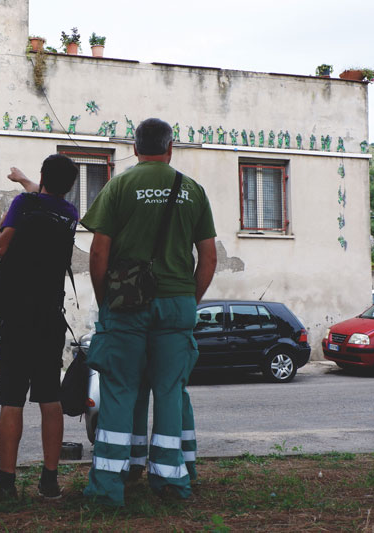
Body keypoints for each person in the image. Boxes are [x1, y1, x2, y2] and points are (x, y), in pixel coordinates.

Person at [80, 118, 217, 506]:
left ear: (135, 147)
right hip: (177, 304)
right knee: (171, 392)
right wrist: (189, 298)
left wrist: (105, 298)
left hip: (127, 304)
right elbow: (208, 257)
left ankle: (108, 488)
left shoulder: (120, 185)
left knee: (121, 389)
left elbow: (98, 251)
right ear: (170, 147)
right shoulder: (192, 190)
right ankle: (172, 482)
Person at [0, 155, 79, 500]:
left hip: (16, 317)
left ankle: (6, 484)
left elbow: (2, 246)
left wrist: (6, 217)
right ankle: (50, 481)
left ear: (43, 175)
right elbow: (46, 200)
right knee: (49, 398)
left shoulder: (22, 205)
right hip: (49, 318)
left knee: (12, 401)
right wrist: (26, 180)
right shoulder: (69, 213)